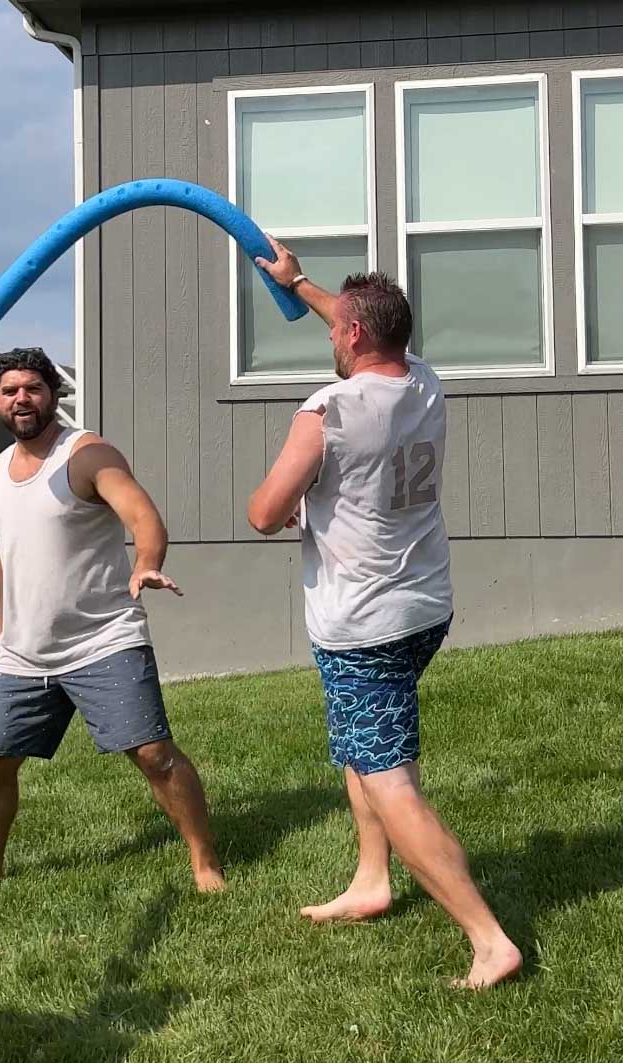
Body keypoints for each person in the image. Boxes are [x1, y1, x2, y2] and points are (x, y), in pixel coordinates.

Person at [248, 241, 521, 989]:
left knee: (387, 775)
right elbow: (361, 321)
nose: (332, 333)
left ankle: (488, 936)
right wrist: (296, 283)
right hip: (423, 603)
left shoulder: (327, 411)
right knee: (360, 745)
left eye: (339, 328)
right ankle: (373, 878)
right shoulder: (425, 382)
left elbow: (263, 512)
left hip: (363, 622)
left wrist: (308, 494)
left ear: (355, 338)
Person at [0, 347, 223, 894]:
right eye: (10, 390)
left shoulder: (86, 454)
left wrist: (148, 564)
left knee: (154, 754)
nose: (22, 399)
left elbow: (142, 514)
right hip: (25, 649)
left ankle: (205, 864)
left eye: (33, 388)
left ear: (53, 394)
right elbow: (7, 557)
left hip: (103, 638)